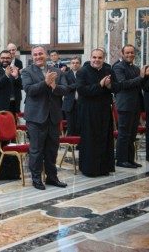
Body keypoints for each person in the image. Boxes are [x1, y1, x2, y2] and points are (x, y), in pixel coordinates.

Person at [21, 45, 68, 190]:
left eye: (40, 54)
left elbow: (65, 89)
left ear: (46, 55)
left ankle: (52, 177)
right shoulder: (27, 71)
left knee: (52, 149)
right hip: (36, 117)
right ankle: (36, 179)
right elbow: (29, 90)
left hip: (53, 116)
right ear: (32, 57)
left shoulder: (57, 71)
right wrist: (45, 83)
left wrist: (54, 86)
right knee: (36, 150)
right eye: (35, 55)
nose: (38, 57)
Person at [76, 49, 115, 177]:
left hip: (104, 110)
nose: (96, 60)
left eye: (99, 57)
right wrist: (100, 84)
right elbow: (82, 90)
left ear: (103, 59)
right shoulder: (82, 71)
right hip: (88, 110)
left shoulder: (108, 71)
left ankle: (104, 168)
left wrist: (109, 87)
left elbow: (116, 87)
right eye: (94, 57)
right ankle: (89, 169)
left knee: (104, 138)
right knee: (90, 139)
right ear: (90, 57)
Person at [112, 44, 149, 168]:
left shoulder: (134, 68)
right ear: (122, 54)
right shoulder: (118, 67)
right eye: (127, 53)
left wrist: (146, 76)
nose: (130, 55)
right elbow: (123, 84)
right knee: (124, 134)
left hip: (135, 104)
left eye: (132, 53)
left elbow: (139, 84)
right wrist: (141, 77)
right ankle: (121, 160)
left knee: (132, 134)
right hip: (125, 105)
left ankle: (130, 159)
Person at [62, 56, 82, 135]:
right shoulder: (65, 74)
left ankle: (80, 146)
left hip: (81, 103)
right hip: (69, 104)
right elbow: (66, 88)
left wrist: (74, 85)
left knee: (80, 126)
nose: (75, 64)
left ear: (80, 64)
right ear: (70, 64)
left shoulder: (83, 74)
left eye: (77, 63)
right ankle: (70, 146)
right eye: (73, 63)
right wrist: (78, 84)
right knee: (70, 127)